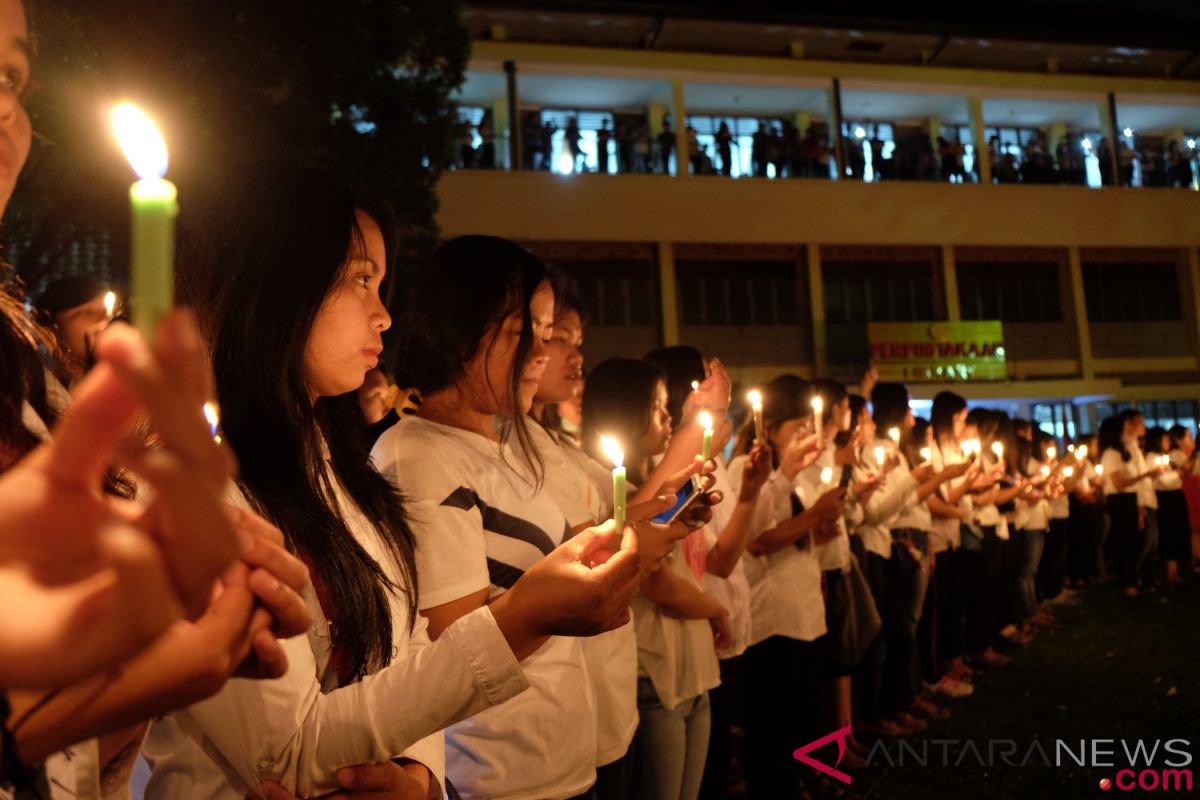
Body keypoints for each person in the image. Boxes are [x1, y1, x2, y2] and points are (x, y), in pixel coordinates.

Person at [142, 175, 638, 800]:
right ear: (274, 284)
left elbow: (406, 643)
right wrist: (519, 619)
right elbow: (285, 754)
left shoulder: (333, 463)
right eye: (360, 280)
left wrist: (421, 777)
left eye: (381, 285)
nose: (383, 314)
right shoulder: (190, 481)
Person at [377, 235, 642, 800]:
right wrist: (558, 602)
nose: (541, 355)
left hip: (557, 750)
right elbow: (449, 642)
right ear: (461, 326)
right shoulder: (420, 455)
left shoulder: (499, 446)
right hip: (494, 771)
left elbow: (516, 574)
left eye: (547, 336)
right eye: (525, 334)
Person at [733, 375, 843, 800]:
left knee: (795, 720)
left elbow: (796, 534)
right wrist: (813, 516)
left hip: (802, 613)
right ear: (769, 427)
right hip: (772, 616)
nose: (804, 437)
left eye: (807, 428)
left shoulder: (794, 474)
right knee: (772, 729)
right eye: (797, 429)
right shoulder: (749, 471)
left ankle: (797, 781)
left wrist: (821, 524)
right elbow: (757, 541)